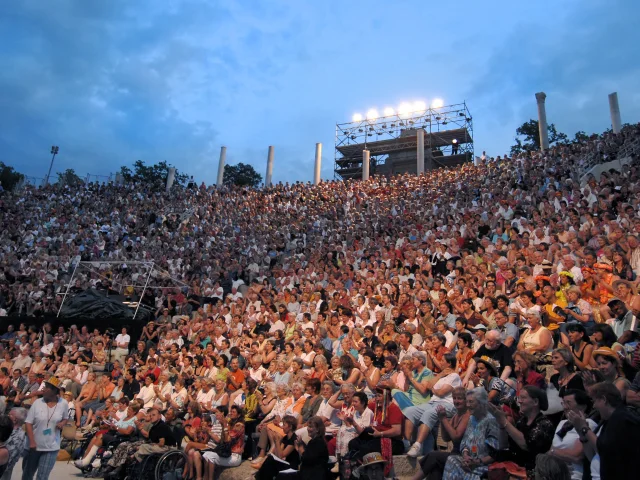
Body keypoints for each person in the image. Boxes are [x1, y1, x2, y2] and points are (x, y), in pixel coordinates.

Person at [567, 382, 640, 480]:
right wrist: (581, 432)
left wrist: (584, 428)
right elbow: (592, 456)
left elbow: (604, 450)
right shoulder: (608, 421)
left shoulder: (622, 419)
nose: (594, 406)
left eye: (595, 401)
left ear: (604, 399)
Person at [490, 386, 555, 477]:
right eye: (519, 398)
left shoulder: (545, 424)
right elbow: (504, 445)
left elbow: (526, 444)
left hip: (534, 472)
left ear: (535, 402)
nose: (519, 401)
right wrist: (501, 423)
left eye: (523, 398)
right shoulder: (521, 421)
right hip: (515, 469)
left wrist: (504, 421)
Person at [405, 353, 461, 457]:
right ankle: (407, 444)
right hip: (432, 402)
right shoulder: (441, 376)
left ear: (449, 363)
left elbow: (441, 393)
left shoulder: (455, 376)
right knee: (409, 411)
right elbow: (428, 385)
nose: (440, 362)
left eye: (443, 360)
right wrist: (440, 375)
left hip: (447, 404)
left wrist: (433, 389)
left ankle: (417, 446)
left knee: (429, 413)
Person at [410, 387, 470, 480]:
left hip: (462, 456)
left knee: (433, 456)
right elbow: (446, 438)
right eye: (454, 398)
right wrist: (442, 420)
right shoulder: (456, 416)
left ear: (466, 400)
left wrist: (444, 419)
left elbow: (456, 437)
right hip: (454, 454)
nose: (456, 401)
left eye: (460, 398)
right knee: (435, 470)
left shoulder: (467, 415)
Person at [441, 388, 500, 480]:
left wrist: (477, 461)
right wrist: (466, 455)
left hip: (483, 465)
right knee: (451, 460)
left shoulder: (490, 421)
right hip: (470, 461)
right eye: (467, 402)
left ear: (481, 403)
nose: (468, 405)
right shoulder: (472, 419)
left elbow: (495, 453)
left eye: (471, 402)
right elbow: (465, 443)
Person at [22, 376, 70, 480]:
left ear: (54, 391)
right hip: (34, 446)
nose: (43, 389)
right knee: (27, 475)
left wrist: (62, 423)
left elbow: (66, 418)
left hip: (51, 447)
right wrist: (31, 442)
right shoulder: (37, 403)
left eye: (46, 387)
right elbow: (28, 423)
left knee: (43, 477)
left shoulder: (63, 404)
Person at [548, 389, 596, 480]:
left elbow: (576, 456)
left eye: (568, 403)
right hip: (556, 473)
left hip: (575, 475)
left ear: (582, 407)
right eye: (563, 403)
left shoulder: (588, 424)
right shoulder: (562, 423)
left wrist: (553, 452)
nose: (565, 407)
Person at [202, 407, 245, 480]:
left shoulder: (239, 425)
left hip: (235, 456)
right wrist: (223, 425)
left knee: (210, 457)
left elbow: (228, 440)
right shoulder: (231, 424)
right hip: (228, 453)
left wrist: (224, 426)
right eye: (231, 411)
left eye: (233, 412)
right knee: (206, 455)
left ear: (239, 415)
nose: (231, 413)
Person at [255, 415, 299, 479]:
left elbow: (282, 455)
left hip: (291, 466)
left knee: (270, 461)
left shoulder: (294, 439)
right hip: (285, 462)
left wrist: (277, 442)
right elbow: (278, 454)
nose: (282, 427)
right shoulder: (285, 438)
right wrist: (276, 442)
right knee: (270, 458)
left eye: (284, 425)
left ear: (290, 427)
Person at [1, 407, 27, 480]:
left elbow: (8, 460)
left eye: (10, 415)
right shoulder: (8, 430)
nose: (7, 416)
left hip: (3, 472)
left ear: (15, 420)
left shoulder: (17, 437)